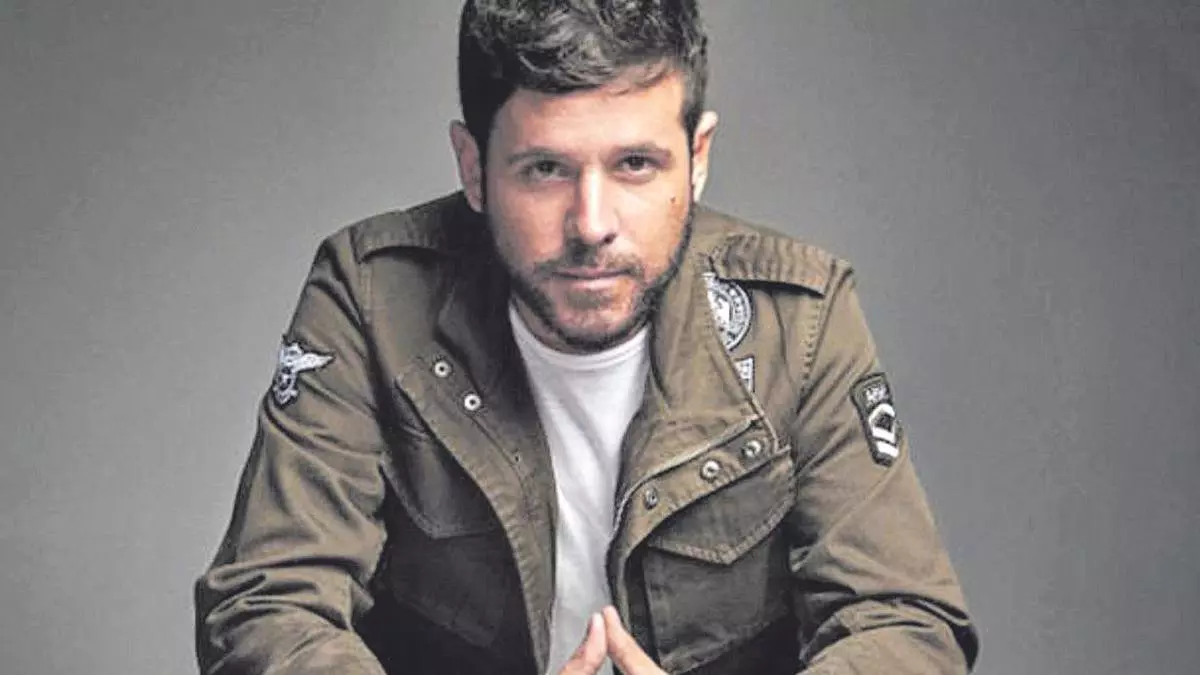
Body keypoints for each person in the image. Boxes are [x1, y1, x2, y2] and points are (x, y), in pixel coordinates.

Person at [193, 1, 979, 674]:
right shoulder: (374, 298)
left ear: (697, 158)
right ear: (473, 166)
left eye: (635, 164)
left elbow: (905, 623)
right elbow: (267, 603)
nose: (592, 224)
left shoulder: (797, 320)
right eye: (545, 169)